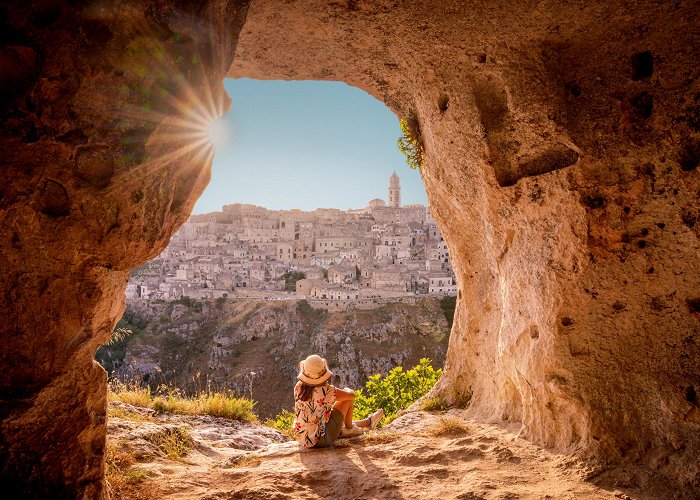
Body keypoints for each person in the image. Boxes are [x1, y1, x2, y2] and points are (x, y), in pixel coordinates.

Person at [293, 354, 384, 448]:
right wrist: (347, 389)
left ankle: (368, 422)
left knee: (329, 416)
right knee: (347, 400)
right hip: (320, 439)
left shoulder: (299, 387)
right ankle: (350, 428)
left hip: (302, 437)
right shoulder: (326, 390)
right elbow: (352, 396)